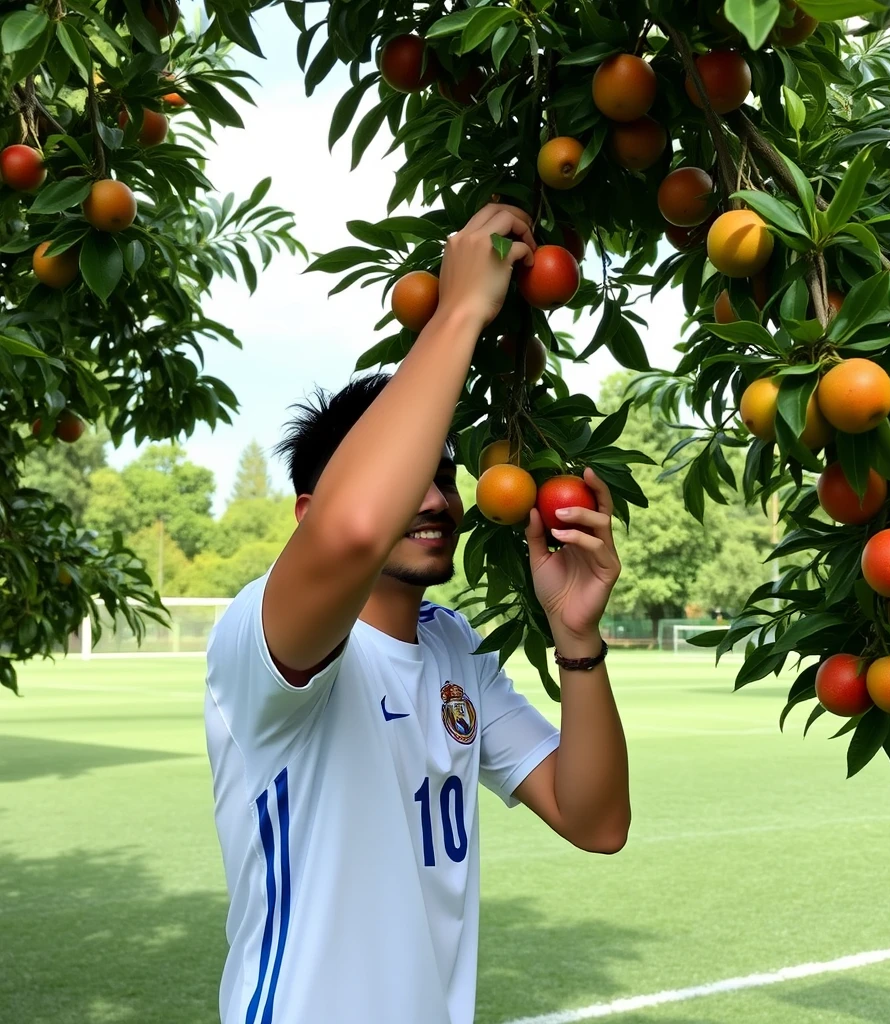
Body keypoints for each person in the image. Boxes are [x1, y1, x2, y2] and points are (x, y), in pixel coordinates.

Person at [204, 203, 630, 1024]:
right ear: (305, 515)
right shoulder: (260, 635)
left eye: (443, 477)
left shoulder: (452, 649)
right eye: (409, 480)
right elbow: (355, 527)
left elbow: (596, 819)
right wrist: (462, 311)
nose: (433, 498)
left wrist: (577, 640)